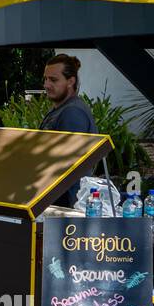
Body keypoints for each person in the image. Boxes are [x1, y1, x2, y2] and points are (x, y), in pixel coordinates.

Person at [39, 53, 100, 207]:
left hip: (65, 203)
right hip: (58, 199)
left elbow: (64, 165)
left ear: (70, 81)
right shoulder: (63, 109)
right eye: (45, 79)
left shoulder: (72, 112)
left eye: (53, 80)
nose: (46, 85)